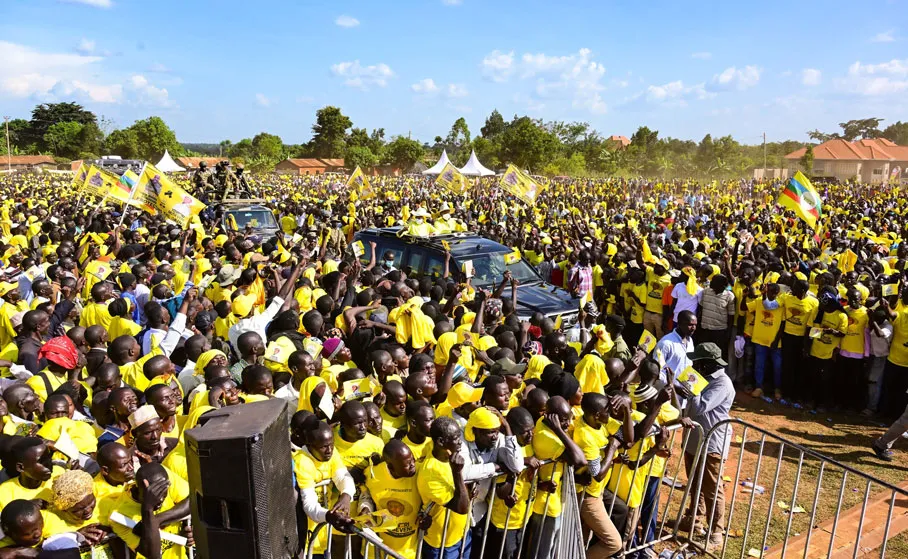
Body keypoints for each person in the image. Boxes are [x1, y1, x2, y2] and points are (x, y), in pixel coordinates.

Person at [679, 343, 735, 549]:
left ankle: (716, 533)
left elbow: (701, 407)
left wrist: (692, 386)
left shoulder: (722, 384)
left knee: (713, 488)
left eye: (698, 362)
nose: (694, 365)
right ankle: (694, 519)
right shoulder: (702, 378)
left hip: (712, 442)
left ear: (708, 364)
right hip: (694, 438)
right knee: (694, 482)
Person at [416, 416, 470, 559]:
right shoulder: (430, 474)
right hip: (442, 544)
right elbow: (462, 508)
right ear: (441, 442)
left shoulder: (445, 455)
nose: (460, 441)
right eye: (456, 437)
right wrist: (457, 472)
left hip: (461, 534)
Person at [361, 440, 424, 559]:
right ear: (390, 466)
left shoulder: (420, 472)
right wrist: (365, 509)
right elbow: (365, 496)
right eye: (407, 463)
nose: (412, 465)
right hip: (378, 550)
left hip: (409, 552)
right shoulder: (372, 474)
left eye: (412, 459)